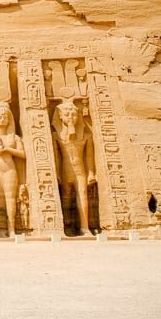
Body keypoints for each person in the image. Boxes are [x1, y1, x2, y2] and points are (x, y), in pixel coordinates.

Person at [52, 96, 97, 235]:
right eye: (67, 114)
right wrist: (57, 174)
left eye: (74, 114)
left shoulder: (86, 136)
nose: (71, 117)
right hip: (65, 170)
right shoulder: (55, 135)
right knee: (66, 198)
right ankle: (68, 227)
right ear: (60, 116)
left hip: (80, 171)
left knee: (82, 195)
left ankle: (85, 227)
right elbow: (56, 157)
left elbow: (89, 157)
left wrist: (91, 173)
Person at [0, 101, 26, 236]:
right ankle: (0, 229)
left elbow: (23, 155)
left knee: (10, 199)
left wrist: (7, 149)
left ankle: (12, 228)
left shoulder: (14, 137)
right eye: (0, 116)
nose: (3, 119)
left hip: (10, 170)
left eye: (5, 116)